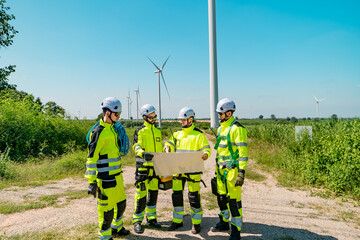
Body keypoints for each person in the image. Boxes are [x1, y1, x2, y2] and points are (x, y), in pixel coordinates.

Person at [85, 97, 130, 240]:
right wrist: (91, 181)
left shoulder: (112, 130)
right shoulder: (98, 132)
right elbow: (91, 158)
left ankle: (117, 228)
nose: (118, 117)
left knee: (121, 203)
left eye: (119, 114)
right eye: (116, 114)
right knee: (106, 210)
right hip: (106, 179)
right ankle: (104, 236)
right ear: (107, 113)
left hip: (117, 177)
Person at [164, 107, 211, 234]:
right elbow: (169, 143)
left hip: (193, 171)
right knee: (177, 197)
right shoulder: (177, 134)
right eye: (181, 120)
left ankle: (196, 224)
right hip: (178, 171)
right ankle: (177, 221)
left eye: (184, 120)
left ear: (191, 119)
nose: (182, 122)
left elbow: (207, 148)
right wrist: (167, 147)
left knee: (194, 197)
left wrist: (206, 154)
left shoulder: (199, 135)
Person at [210, 98, 248, 240]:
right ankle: (224, 222)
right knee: (221, 198)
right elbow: (221, 151)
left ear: (229, 113)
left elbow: (243, 154)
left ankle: (236, 231)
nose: (219, 116)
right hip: (221, 171)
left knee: (234, 201)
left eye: (221, 114)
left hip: (232, 171)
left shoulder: (237, 129)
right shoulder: (221, 128)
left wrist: (241, 173)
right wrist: (216, 170)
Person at [132, 104, 163, 234]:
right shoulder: (140, 131)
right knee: (141, 196)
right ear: (145, 117)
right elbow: (136, 146)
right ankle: (137, 221)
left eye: (155, 115)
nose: (154, 118)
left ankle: (151, 218)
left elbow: (160, 150)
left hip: (155, 169)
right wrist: (142, 153)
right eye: (151, 116)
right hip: (143, 169)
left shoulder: (157, 132)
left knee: (153, 195)